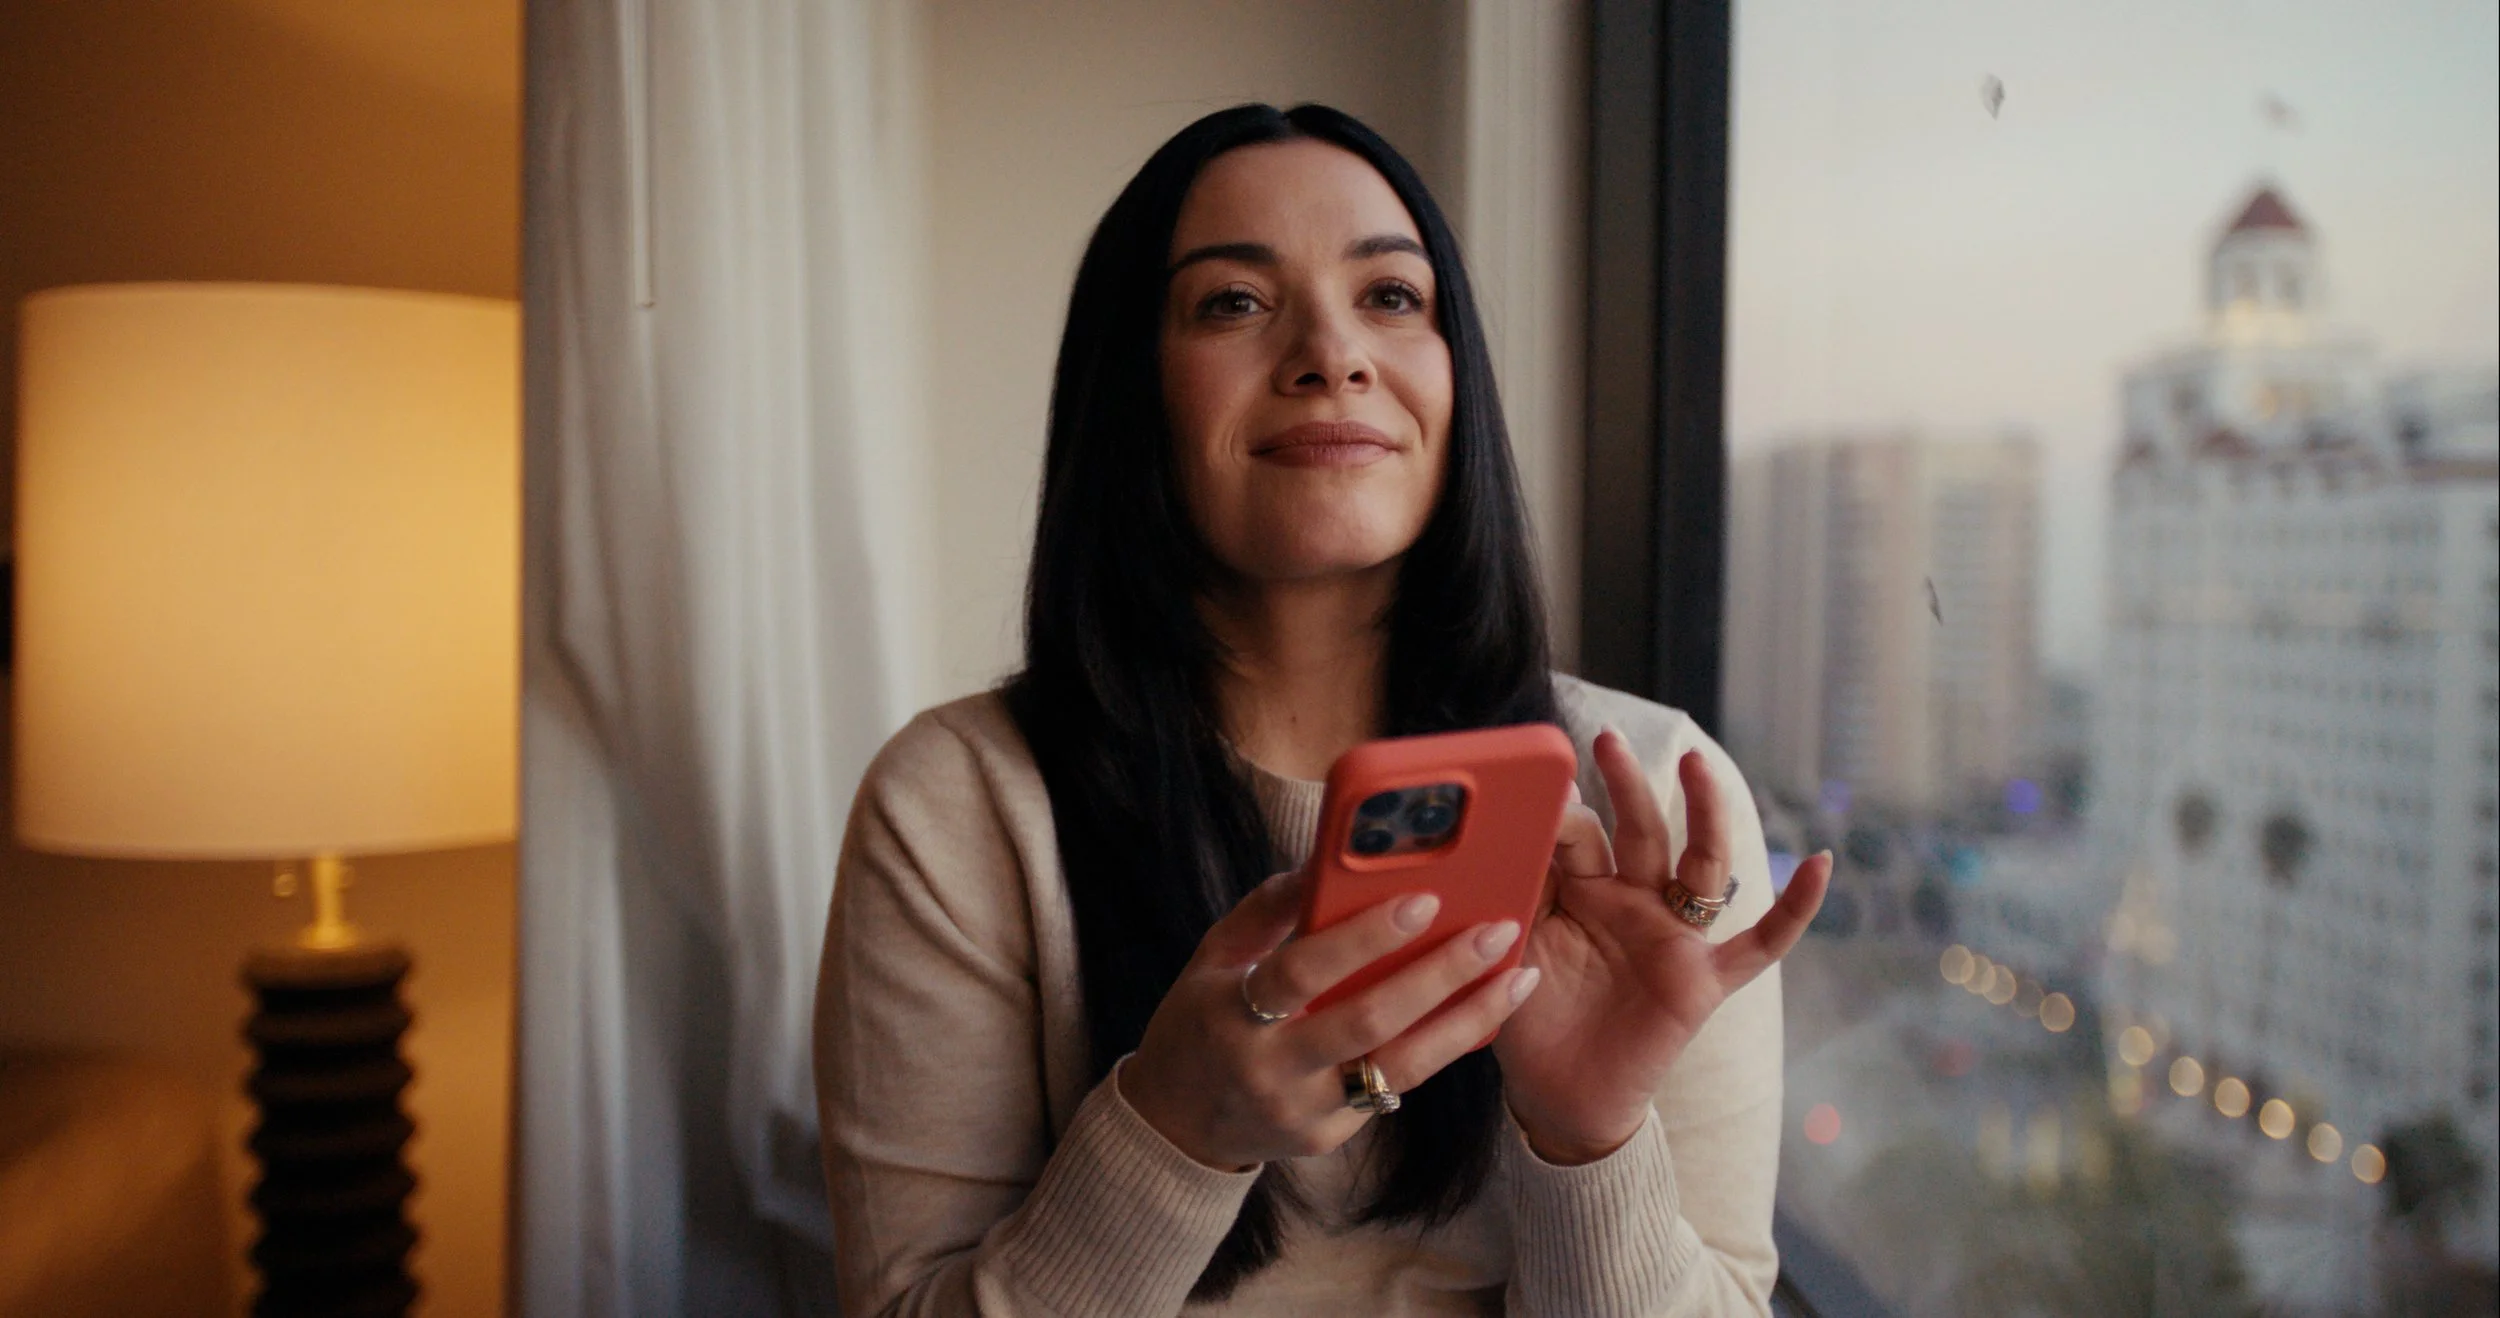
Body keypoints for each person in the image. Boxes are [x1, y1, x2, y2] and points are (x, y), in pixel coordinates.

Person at [814, 102, 1833, 1317]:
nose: (1331, 353)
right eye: (1234, 303)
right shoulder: (961, 805)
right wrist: (1173, 1129)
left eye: (1392, 297)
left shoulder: (1645, 802)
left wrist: (1588, 1138)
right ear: (1130, 390)